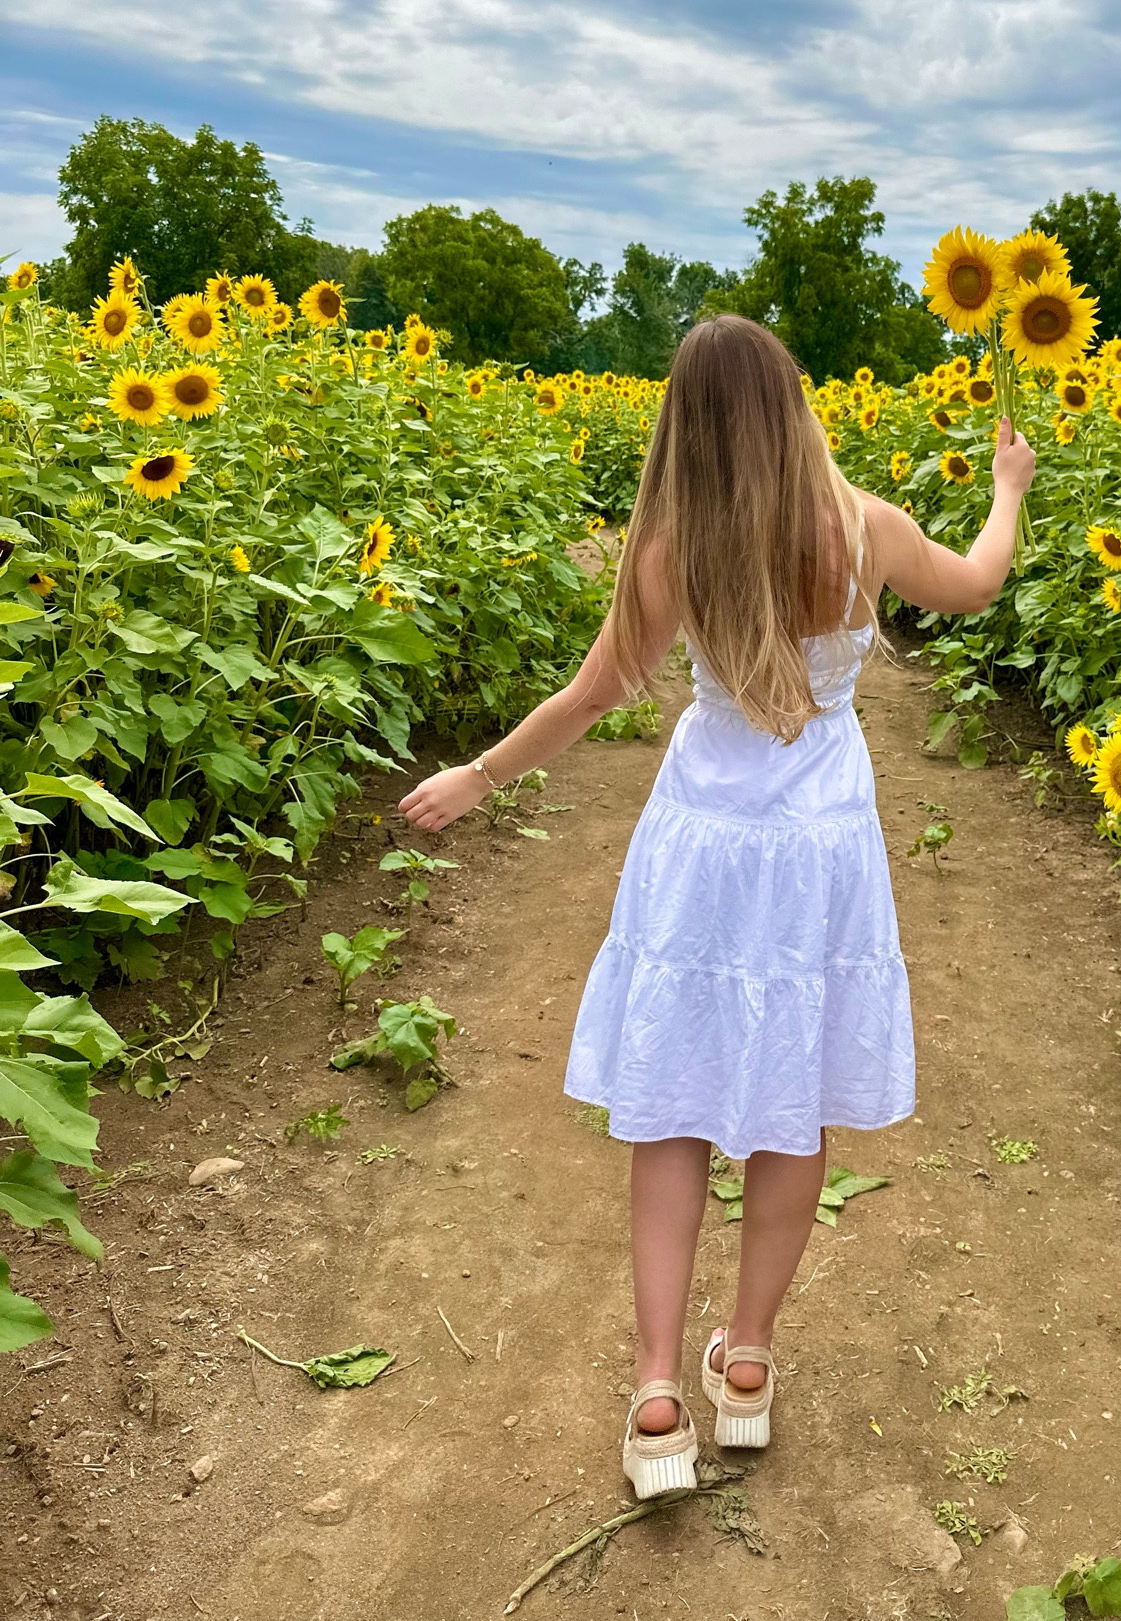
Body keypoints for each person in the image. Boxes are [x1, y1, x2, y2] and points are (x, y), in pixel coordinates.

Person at [398, 314, 1035, 1496]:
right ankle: (745, 1367)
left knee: (674, 1101)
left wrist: (477, 775)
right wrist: (1006, 487)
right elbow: (982, 582)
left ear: (682, 424)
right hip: (818, 843)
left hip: (703, 837)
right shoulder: (865, 530)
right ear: (795, 401)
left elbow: (590, 697)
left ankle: (655, 1396)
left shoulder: (669, 550)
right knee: (792, 1102)